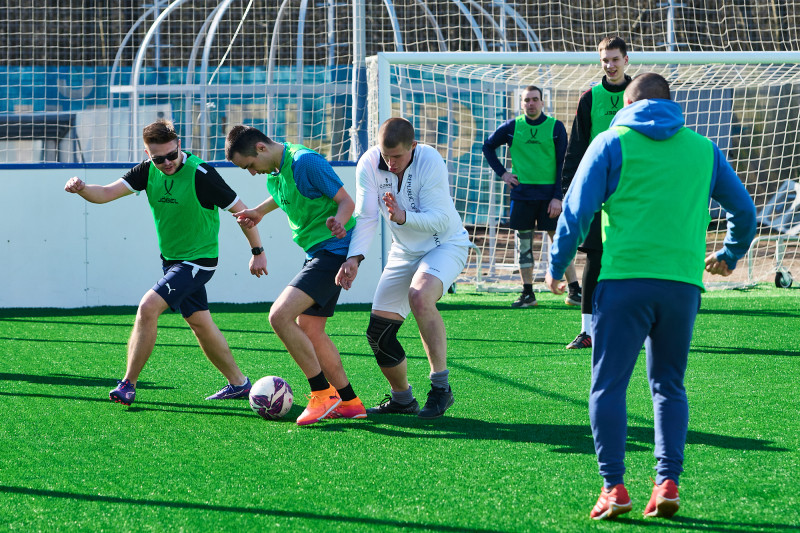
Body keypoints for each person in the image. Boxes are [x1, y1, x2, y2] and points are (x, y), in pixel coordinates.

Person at [546, 73, 757, 520]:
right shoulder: (703, 148)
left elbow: (575, 213)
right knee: (668, 386)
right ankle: (667, 482)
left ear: (627, 102)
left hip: (623, 283)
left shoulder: (611, 141)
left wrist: (554, 268)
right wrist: (730, 254)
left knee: (608, 386)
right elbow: (744, 210)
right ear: (670, 103)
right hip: (682, 287)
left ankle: (614, 487)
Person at [64, 119, 267, 405]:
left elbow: (244, 212)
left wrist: (257, 251)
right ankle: (240, 383)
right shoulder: (147, 172)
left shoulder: (202, 174)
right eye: (159, 158)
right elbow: (107, 193)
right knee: (201, 324)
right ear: (148, 155)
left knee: (148, 306)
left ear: (179, 146)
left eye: (172, 155)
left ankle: (127, 384)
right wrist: (82, 188)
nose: (167, 162)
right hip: (172, 261)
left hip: (199, 262)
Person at [225, 125, 366, 426]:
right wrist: (259, 212)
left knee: (279, 316)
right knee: (311, 330)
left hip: (333, 252)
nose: (251, 173)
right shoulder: (275, 172)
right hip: (316, 254)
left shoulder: (305, 162)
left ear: (261, 148)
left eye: (249, 166)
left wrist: (339, 223)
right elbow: (285, 195)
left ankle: (321, 394)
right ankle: (350, 401)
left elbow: (346, 202)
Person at [335, 117, 471, 419]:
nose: (390, 162)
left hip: (445, 244)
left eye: (397, 156)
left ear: (414, 146)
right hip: (405, 251)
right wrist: (354, 259)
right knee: (378, 333)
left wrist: (402, 217)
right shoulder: (369, 163)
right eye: (385, 155)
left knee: (420, 296)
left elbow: (440, 220)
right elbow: (368, 217)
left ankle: (440, 389)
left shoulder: (430, 159)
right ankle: (402, 399)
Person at [561, 35, 633, 349]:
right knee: (594, 257)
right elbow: (576, 148)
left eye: (615, 59)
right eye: (605, 60)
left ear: (626, 60)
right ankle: (587, 330)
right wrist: (568, 191)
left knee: (632, 257)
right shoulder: (590, 98)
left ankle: (634, 327)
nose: (610, 65)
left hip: (634, 193)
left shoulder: (642, 93)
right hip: (597, 191)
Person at [482, 85, 581, 308]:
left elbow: (562, 165)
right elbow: (488, 146)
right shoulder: (511, 127)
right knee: (523, 245)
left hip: (550, 198)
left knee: (560, 242)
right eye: (527, 100)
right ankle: (528, 293)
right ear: (521, 103)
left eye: (535, 99)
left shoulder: (555, 127)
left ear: (542, 102)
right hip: (522, 195)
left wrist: (558, 197)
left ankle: (574, 290)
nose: (531, 104)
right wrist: (503, 173)